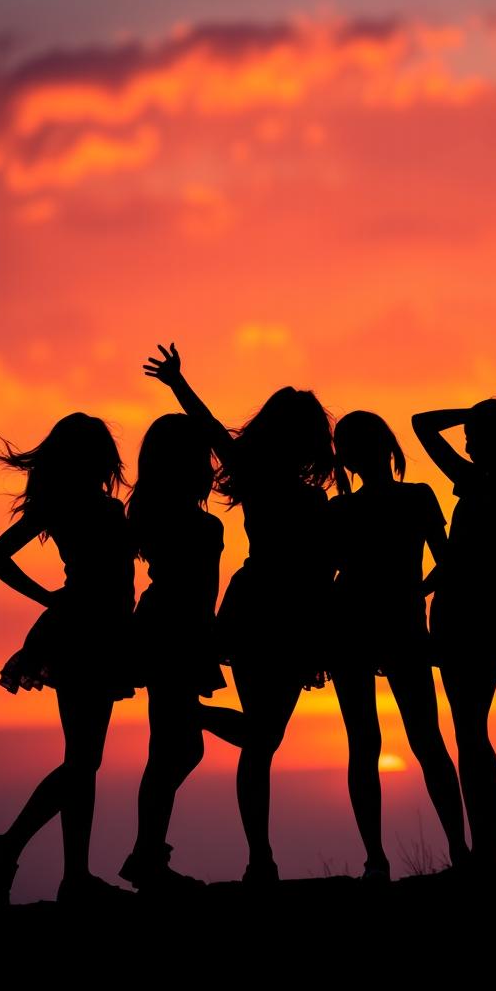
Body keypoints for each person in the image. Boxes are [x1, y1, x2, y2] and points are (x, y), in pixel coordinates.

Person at [143, 343, 335, 883]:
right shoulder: (271, 484)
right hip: (275, 614)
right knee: (263, 740)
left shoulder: (270, 484)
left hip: (275, 613)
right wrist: (179, 385)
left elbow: (212, 434)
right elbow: (209, 430)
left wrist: (180, 385)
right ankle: (260, 858)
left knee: (261, 744)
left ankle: (260, 859)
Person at [0, 412, 136, 906]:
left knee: (84, 761)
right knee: (83, 761)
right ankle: (15, 848)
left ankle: (70, 873)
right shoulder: (85, 509)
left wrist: (53, 601)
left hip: (95, 632)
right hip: (85, 632)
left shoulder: (68, 507)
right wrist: (49, 598)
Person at [412, 392, 496, 872]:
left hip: (473, 611)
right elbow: (458, 558)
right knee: (470, 730)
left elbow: (422, 422)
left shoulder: (483, 483)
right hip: (468, 608)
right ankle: (485, 850)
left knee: (470, 732)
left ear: (491, 442)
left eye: (472, 438)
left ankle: (487, 850)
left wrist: (468, 411)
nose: (467, 446)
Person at [328, 411, 468, 879]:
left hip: (367, 627)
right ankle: (450, 853)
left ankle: (381, 860)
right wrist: (417, 593)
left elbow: (327, 581)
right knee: (420, 740)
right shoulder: (413, 498)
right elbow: (447, 563)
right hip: (385, 627)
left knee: (375, 743)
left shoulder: (345, 509)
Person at [118, 414, 243, 896]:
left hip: (163, 624)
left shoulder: (150, 513)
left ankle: (147, 853)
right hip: (179, 628)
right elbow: (200, 590)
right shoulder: (196, 522)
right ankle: (147, 857)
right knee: (176, 746)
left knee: (175, 749)